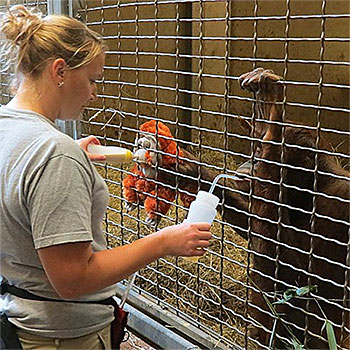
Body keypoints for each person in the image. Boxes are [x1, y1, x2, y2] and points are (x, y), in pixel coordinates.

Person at [0, 5, 212, 350]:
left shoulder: (9, 128)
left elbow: (19, 182)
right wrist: (163, 242)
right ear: (60, 71)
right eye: (93, 79)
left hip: (17, 317)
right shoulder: (53, 153)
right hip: (61, 336)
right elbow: (73, 279)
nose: (94, 93)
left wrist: (66, 155)